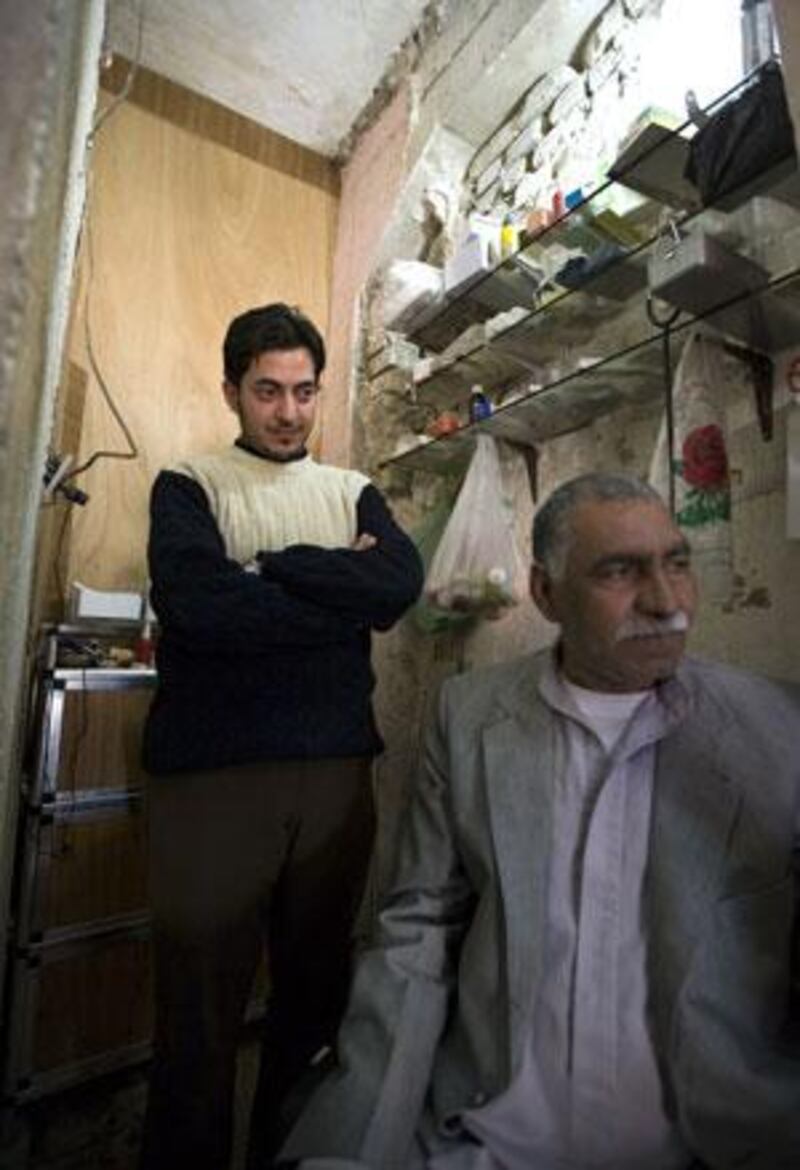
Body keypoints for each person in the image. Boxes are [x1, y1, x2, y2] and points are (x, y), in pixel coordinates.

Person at [279, 471, 800, 1170]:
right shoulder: (468, 718)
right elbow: (416, 936)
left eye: (678, 564)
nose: (666, 601)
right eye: (621, 571)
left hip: (707, 1145)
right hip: (493, 1138)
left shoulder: (776, 727)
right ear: (546, 593)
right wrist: (353, 1146)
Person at [138, 302, 423, 1170]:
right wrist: (336, 599)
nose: (289, 411)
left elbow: (395, 585)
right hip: (212, 782)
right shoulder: (189, 485)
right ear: (233, 391)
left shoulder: (349, 491)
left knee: (313, 1008)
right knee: (198, 1020)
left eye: (304, 391)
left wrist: (272, 567)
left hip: (336, 779)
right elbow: (198, 606)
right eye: (268, 390)